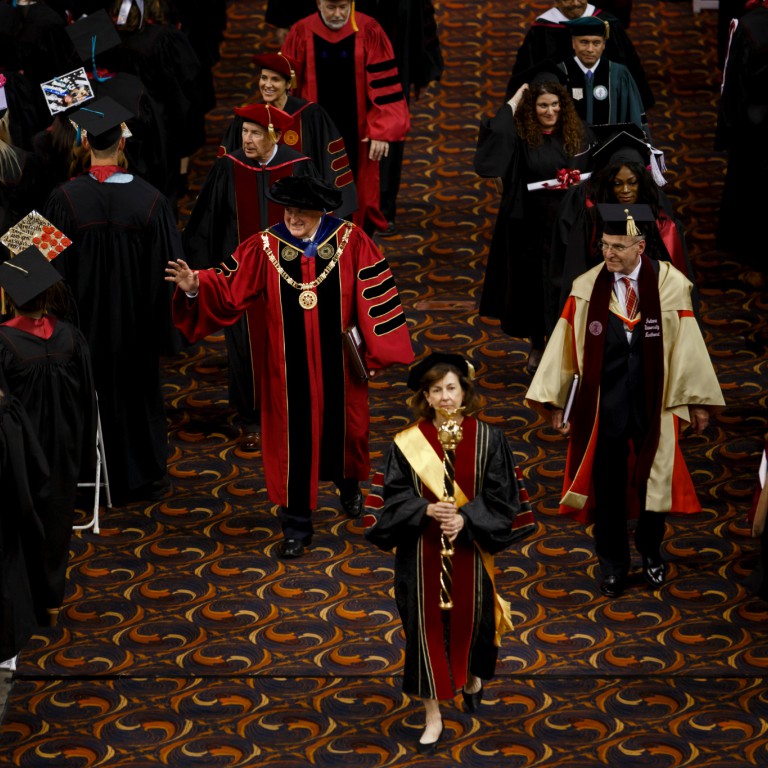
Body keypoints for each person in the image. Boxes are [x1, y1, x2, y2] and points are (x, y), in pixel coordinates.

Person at [167, 176, 415, 558]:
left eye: (302, 211)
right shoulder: (265, 246)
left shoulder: (352, 242)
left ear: (322, 211)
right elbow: (230, 287)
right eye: (289, 210)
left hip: (341, 367)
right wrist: (195, 285)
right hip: (287, 370)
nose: (294, 218)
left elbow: (373, 294)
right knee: (292, 443)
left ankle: (349, 486)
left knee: (347, 431)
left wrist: (376, 352)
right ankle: (296, 526)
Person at [526, 205, 725, 599]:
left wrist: (698, 402)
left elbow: (688, 348)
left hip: (656, 402)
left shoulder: (671, 285)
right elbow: (565, 347)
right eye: (604, 245)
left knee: (656, 484)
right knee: (609, 489)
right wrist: (556, 403)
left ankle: (651, 551)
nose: (608, 254)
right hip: (604, 407)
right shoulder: (586, 288)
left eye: (617, 246)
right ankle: (613, 564)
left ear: (641, 245)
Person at [364, 352, 535, 754]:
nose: (445, 397)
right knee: (424, 631)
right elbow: (386, 502)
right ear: (425, 396)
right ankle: (432, 714)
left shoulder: (490, 440)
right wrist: (423, 509)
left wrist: (468, 519)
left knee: (473, 622)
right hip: (419, 554)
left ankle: (472, 674)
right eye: (436, 390)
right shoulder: (406, 444)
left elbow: (503, 498)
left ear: (465, 391)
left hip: (469, 552)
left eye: (451, 388)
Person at [43, 97, 182, 504]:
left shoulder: (62, 198)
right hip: (135, 331)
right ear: (122, 143)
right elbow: (169, 276)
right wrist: (164, 331)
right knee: (137, 394)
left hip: (79, 331)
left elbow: (34, 263)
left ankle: (86, 477)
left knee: (85, 397)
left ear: (85, 141)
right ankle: (142, 476)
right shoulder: (153, 201)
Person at [185, 102, 320, 453]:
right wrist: (208, 274)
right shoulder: (229, 168)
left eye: (256, 133)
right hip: (242, 276)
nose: (247, 139)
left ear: (272, 134)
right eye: (244, 131)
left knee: (292, 343)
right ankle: (251, 418)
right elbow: (208, 222)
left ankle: (294, 413)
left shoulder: (298, 167)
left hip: (290, 275)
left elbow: (318, 222)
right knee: (244, 348)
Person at [0, 246, 95, 627]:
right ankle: (51, 603)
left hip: (21, 453)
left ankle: (21, 607)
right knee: (56, 524)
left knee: (19, 522)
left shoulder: (3, 344)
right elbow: (87, 399)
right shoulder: (71, 337)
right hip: (64, 450)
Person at [475, 67, 593, 375]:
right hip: (527, 221)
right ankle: (538, 344)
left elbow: (591, 170)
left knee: (564, 283)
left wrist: (577, 184)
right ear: (532, 107)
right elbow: (495, 134)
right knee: (532, 287)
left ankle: (564, 344)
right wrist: (515, 99)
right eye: (542, 105)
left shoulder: (577, 131)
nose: (550, 111)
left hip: (566, 221)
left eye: (555, 104)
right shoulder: (519, 133)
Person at [549, 128, 697, 334]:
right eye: (617, 183)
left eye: (632, 183)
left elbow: (672, 261)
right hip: (602, 297)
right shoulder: (588, 208)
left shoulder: (656, 206)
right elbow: (575, 266)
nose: (625, 191)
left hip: (648, 295)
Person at [282, 0, 411, 234]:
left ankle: (355, 247)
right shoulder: (301, 31)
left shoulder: (369, 30)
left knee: (357, 195)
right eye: (331, 7)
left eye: (344, 6)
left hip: (358, 133)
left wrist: (381, 130)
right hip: (314, 133)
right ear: (319, 3)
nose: (338, 14)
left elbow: (386, 87)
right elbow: (286, 90)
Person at [218, 52, 357, 221]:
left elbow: (331, 163)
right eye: (263, 78)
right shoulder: (249, 118)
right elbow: (229, 163)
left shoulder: (311, 115)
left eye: (275, 79)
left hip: (302, 209)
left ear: (289, 83)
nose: (267, 85)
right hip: (257, 205)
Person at [510, 0, 653, 110]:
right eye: (568, 0)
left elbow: (626, 62)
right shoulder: (541, 30)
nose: (576, 3)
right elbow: (529, 71)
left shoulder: (607, 21)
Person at [715, 0, 768, 269]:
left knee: (754, 193)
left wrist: (727, 131)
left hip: (756, 129)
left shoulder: (748, 26)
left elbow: (735, 87)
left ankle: (755, 259)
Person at [557, 16, 649, 136]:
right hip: (569, 150)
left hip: (610, 150)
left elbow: (633, 117)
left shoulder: (619, 73)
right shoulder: (559, 72)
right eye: (584, 42)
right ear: (573, 43)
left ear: (604, 45)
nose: (590, 49)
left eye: (596, 43)